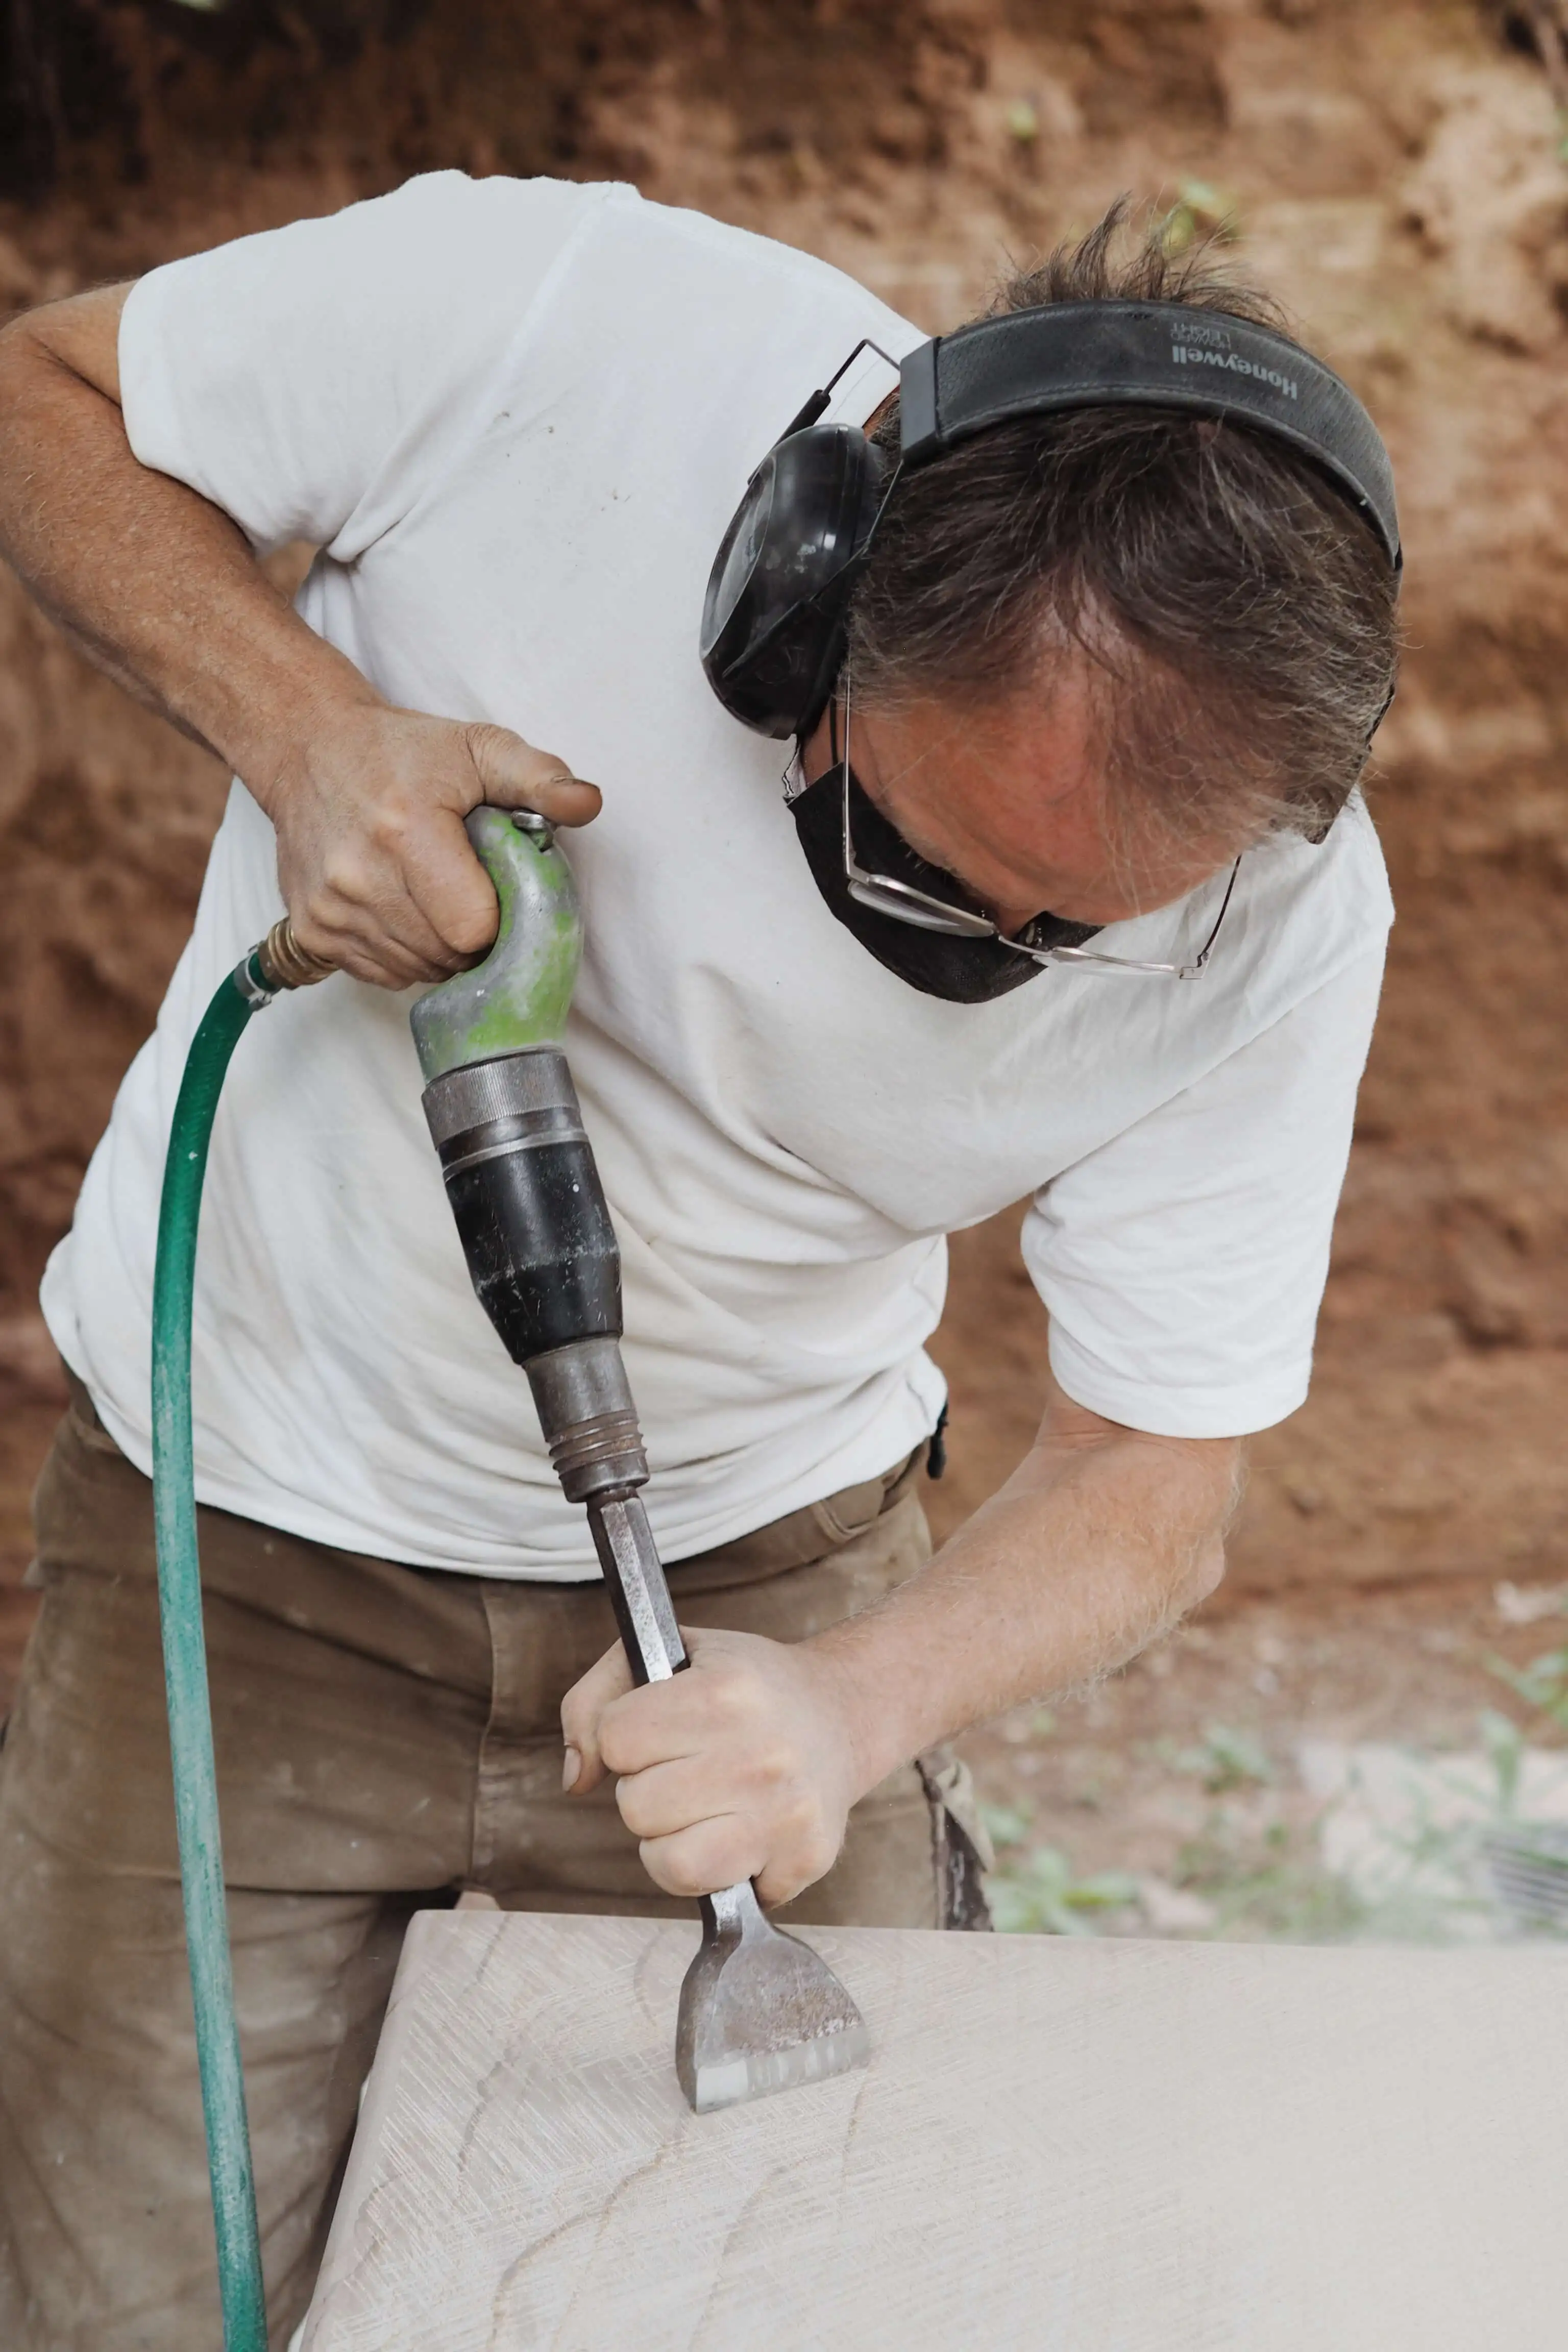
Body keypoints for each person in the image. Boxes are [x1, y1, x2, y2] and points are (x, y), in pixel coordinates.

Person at [0, 175, 1398, 2347]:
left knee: (838, 2286)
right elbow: (45, 396)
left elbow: (1155, 1472)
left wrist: (848, 1710)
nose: (993, 958)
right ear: (800, 605)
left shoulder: (1283, 917)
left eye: (1078, 930)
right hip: (247, 1539)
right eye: (926, 865)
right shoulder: (557, 332)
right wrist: (307, 729)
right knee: (131, 2311)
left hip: (769, 1588)